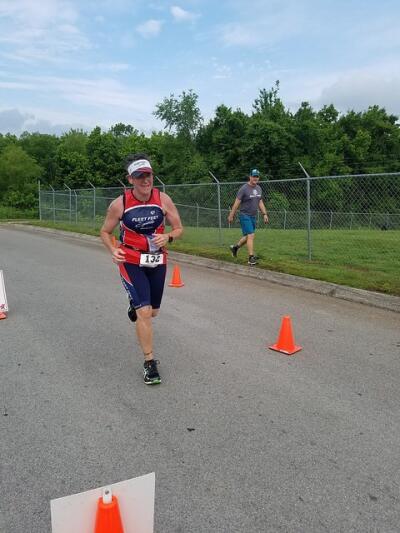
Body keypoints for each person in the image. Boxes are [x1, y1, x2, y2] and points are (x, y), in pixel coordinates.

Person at [100, 153, 183, 385]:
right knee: (144, 312)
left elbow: (178, 228)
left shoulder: (163, 199)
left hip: (157, 261)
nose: (145, 181)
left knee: (153, 311)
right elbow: (105, 232)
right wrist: (112, 249)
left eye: (148, 175)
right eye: (139, 176)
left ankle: (135, 304)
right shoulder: (120, 204)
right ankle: (149, 363)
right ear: (130, 179)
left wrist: (168, 236)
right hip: (131, 260)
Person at [227, 168, 269, 265]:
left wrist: (265, 214)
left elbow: (260, 202)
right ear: (250, 177)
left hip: (253, 216)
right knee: (251, 235)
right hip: (244, 215)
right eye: (254, 176)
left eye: (257, 176)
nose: (255, 178)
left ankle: (235, 248)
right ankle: (251, 258)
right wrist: (231, 215)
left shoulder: (259, 188)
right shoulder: (244, 189)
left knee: (247, 237)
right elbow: (236, 203)